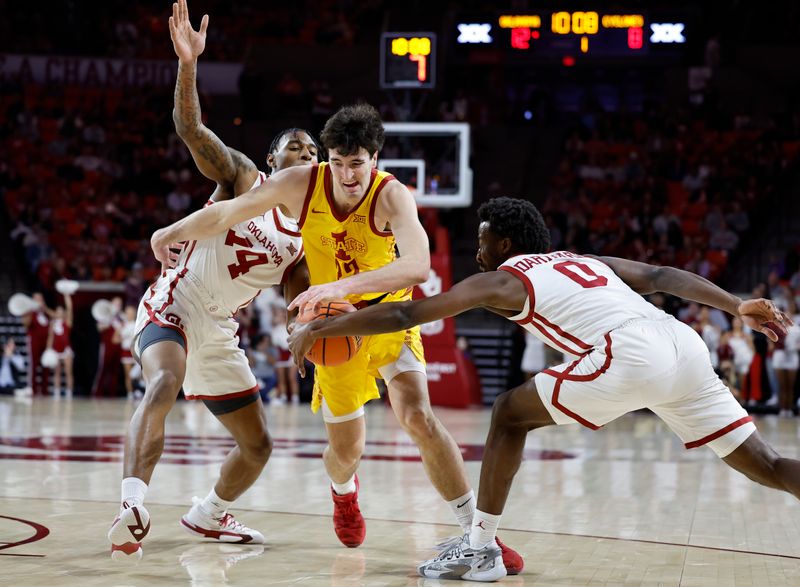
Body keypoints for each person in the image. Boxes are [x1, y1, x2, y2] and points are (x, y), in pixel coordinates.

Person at [286, 197, 795, 582]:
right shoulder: (584, 259)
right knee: (767, 464)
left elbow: (404, 312)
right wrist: (734, 303)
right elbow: (661, 275)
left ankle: (481, 547)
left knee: (509, 412)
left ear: (505, 245)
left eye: (483, 240)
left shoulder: (505, 280)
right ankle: (480, 542)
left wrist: (318, 329)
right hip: (682, 344)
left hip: (633, 352)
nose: (478, 250)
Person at [150, 99, 523, 571]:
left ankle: (478, 533)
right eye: (340, 163)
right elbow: (229, 213)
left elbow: (418, 265)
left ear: (375, 160)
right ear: (328, 158)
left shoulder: (392, 195)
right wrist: (171, 229)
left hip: (387, 318)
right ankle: (344, 492)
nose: (348, 175)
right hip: (335, 329)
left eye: (358, 164)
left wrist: (339, 287)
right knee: (347, 452)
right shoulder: (300, 183)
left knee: (418, 418)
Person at [107, 0, 319, 560]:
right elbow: (190, 127)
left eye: (313, 150)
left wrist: (310, 326)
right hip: (176, 301)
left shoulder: (304, 239)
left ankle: (208, 513)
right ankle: (131, 504)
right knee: (163, 383)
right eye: (295, 146)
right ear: (273, 161)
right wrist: (188, 65)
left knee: (258, 445)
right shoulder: (245, 177)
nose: (306, 153)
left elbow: (300, 298)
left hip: (220, 329)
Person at [21, 292, 52, 396]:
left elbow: (56, 316)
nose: (38, 301)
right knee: (33, 365)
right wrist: (31, 310)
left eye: (40, 299)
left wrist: (45, 309)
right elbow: (26, 324)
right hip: (34, 341)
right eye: (36, 299)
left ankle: (44, 390)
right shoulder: (29, 311)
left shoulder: (45, 312)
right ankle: (33, 389)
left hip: (45, 342)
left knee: (46, 366)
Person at [46, 291, 74, 398]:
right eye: (58, 311)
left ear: (64, 313)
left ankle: (69, 392)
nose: (60, 313)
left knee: (68, 372)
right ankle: (56, 392)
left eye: (61, 311)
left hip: (66, 350)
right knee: (56, 372)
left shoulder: (67, 322)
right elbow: (50, 337)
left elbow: (70, 309)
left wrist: (67, 297)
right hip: (55, 349)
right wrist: (48, 349)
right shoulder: (52, 324)